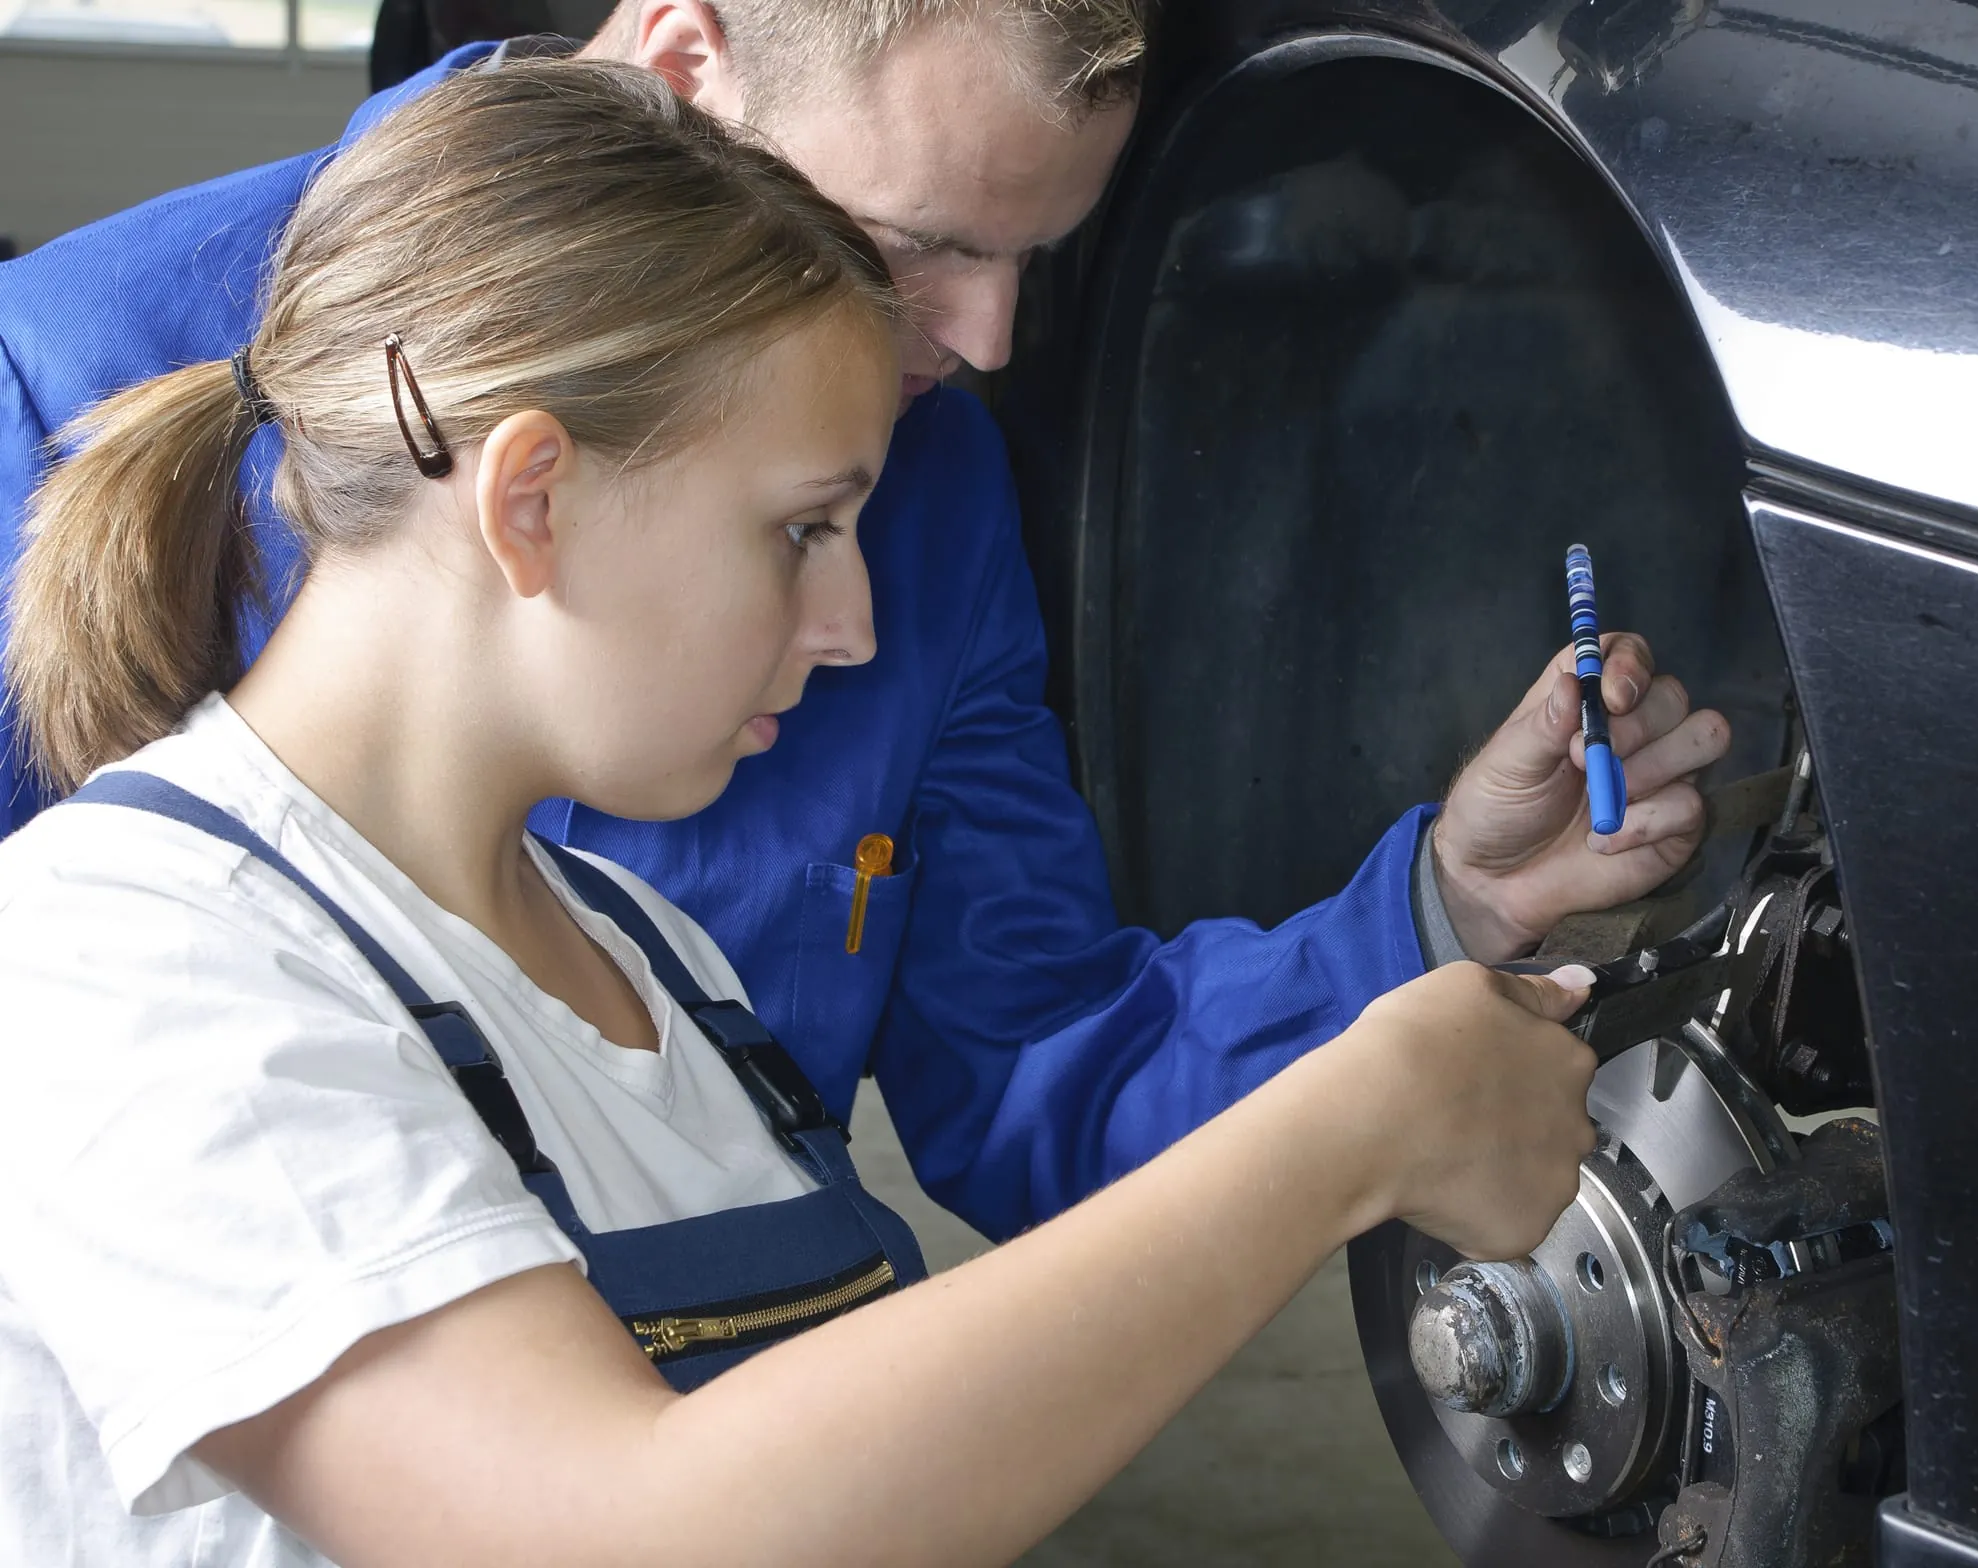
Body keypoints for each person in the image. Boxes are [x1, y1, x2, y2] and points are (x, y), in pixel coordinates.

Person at [0, 62, 1606, 1565]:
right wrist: (1343, 1137)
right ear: (531, 499)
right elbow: (623, 1531)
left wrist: (1423, 953)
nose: (854, 627)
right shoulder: (135, 962)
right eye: (798, 530)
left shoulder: (649, 956)